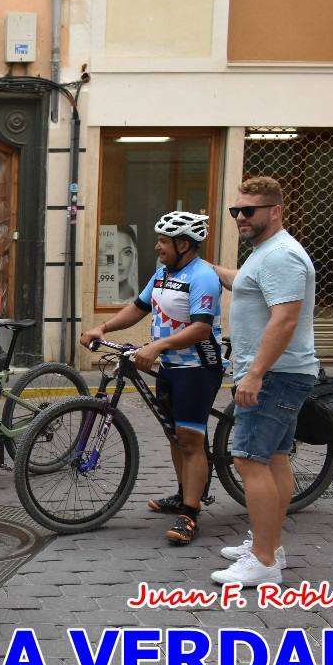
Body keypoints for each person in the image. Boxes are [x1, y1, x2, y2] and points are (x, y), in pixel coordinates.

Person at [81, 211, 223, 545]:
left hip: (197, 367)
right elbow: (138, 307)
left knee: (190, 438)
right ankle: (183, 493)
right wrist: (103, 327)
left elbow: (201, 327)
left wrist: (157, 346)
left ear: (183, 244)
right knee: (175, 434)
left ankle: (190, 514)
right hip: (170, 366)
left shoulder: (203, 276)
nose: (157, 246)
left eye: (163, 240)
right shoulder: (162, 273)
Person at [210, 176, 319, 587]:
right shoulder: (266, 253)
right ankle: (269, 544)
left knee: (248, 460)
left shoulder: (281, 256)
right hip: (279, 373)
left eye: (249, 210)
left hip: (274, 375)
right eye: (236, 210)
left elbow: (285, 317)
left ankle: (263, 560)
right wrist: (209, 268)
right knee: (273, 458)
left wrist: (254, 373)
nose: (240, 217)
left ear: (275, 211)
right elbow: (246, 283)